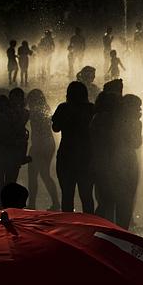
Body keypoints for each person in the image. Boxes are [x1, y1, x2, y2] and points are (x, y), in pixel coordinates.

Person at [51, 81, 94, 213]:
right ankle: (90, 226)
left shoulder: (64, 108)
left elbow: (55, 128)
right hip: (86, 156)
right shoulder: (91, 108)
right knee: (86, 196)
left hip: (66, 155)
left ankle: (68, 227)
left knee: (67, 196)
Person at [0, 95, 23, 208]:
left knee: (1, 185)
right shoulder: (12, 118)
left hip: (2, 156)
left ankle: (4, 208)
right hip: (5, 156)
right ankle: (5, 208)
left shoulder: (0, 119)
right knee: (6, 184)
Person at [90, 90, 122, 222]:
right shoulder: (106, 119)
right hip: (107, 162)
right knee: (108, 199)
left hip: (100, 161)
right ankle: (101, 225)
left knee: (104, 198)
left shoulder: (96, 117)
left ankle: (100, 224)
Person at [25, 89, 59, 210]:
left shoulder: (34, 111)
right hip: (48, 144)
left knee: (36, 175)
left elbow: (24, 115)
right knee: (44, 174)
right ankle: (54, 203)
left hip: (39, 145)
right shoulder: (45, 108)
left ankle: (35, 204)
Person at [114, 94, 143, 229]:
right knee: (128, 196)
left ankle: (115, 227)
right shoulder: (136, 122)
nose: (140, 110)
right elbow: (136, 143)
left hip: (115, 159)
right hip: (129, 161)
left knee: (118, 196)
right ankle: (123, 227)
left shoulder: (115, 120)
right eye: (138, 107)